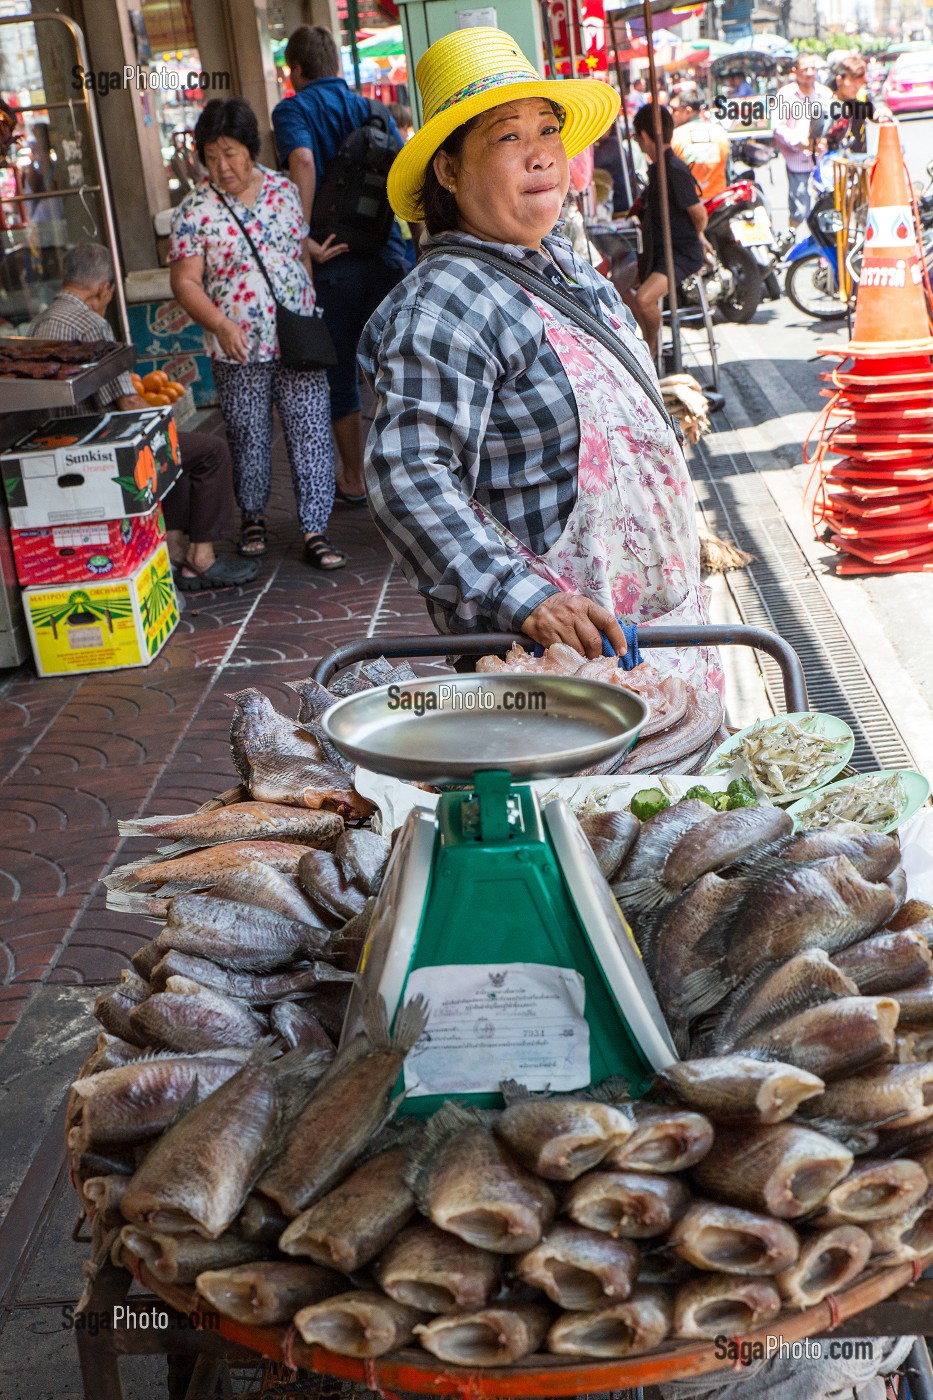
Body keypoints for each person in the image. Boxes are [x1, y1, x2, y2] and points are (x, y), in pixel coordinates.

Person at [358, 25, 722, 700]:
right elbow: (407, 474)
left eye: (548, 130)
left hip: (661, 649)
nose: (540, 155)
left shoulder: (569, 269)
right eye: (507, 136)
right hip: (560, 678)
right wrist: (524, 599)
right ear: (448, 170)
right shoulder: (444, 303)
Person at [169, 98, 345, 571]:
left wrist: (308, 308)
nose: (222, 167)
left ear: (250, 149)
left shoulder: (284, 191)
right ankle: (253, 517)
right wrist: (221, 324)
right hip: (237, 345)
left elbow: (298, 255)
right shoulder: (194, 211)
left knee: (310, 430)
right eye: (211, 157)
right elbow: (185, 282)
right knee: (248, 435)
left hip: (297, 337)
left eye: (229, 153)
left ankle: (315, 529)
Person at [28, 242, 256, 592]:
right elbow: (128, 402)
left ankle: (175, 549)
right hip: (96, 447)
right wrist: (164, 419)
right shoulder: (91, 324)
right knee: (209, 451)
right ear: (104, 288)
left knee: (174, 447)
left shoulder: (38, 323)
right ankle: (203, 557)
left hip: (55, 444)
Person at [272, 25, 409, 505]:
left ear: (295, 70)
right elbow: (406, 172)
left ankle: (353, 479)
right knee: (401, 370)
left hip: (332, 263)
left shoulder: (293, 109)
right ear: (335, 65)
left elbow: (303, 160)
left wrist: (302, 235)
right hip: (388, 257)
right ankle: (408, 473)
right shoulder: (373, 110)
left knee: (341, 377)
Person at [624, 102, 709, 359]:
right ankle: (645, 341)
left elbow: (699, 213)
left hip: (681, 254)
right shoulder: (658, 168)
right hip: (661, 252)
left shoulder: (673, 169)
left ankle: (651, 349)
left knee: (643, 299)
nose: (637, 142)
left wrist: (698, 235)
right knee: (620, 288)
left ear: (645, 135)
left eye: (637, 137)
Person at [773, 54, 833, 227]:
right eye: (805, 69)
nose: (810, 73)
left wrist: (826, 140)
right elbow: (778, 127)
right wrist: (800, 142)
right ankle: (793, 239)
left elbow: (834, 122)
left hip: (822, 161)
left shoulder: (825, 94)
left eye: (813, 68)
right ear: (795, 71)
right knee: (799, 210)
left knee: (826, 211)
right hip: (798, 162)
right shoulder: (786, 95)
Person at [671, 92, 731, 199]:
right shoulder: (719, 133)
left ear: (688, 111)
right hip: (718, 202)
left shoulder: (675, 136)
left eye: (675, 110)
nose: (672, 114)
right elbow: (728, 174)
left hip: (687, 204)